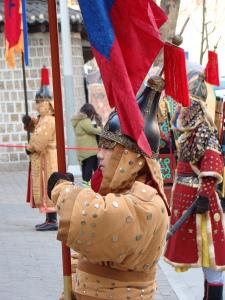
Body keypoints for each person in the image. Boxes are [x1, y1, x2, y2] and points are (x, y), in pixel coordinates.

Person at [48, 76, 170, 300]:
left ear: (132, 157)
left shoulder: (148, 201)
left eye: (108, 147)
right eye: (100, 146)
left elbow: (98, 219)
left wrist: (61, 188)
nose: (99, 154)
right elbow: (90, 253)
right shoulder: (119, 192)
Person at [164, 72, 225, 300]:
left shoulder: (205, 133)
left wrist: (205, 194)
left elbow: (212, 164)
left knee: (211, 260)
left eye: (187, 104)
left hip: (203, 206)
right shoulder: (189, 134)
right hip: (191, 203)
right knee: (202, 258)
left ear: (197, 107)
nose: (182, 109)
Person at [22, 70, 58, 231]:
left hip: (47, 159)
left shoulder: (49, 120)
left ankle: (52, 220)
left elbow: (40, 140)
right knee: (44, 188)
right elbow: (35, 127)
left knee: (47, 188)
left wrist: (29, 148)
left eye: (40, 101)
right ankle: (48, 218)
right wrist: (29, 122)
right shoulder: (43, 119)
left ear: (46, 103)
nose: (37, 104)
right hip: (43, 159)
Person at [71, 103, 102, 187]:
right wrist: (100, 129)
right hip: (90, 150)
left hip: (82, 150)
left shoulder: (78, 121)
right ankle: (94, 185)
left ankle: (86, 186)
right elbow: (91, 130)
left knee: (85, 168)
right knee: (92, 168)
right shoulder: (85, 120)